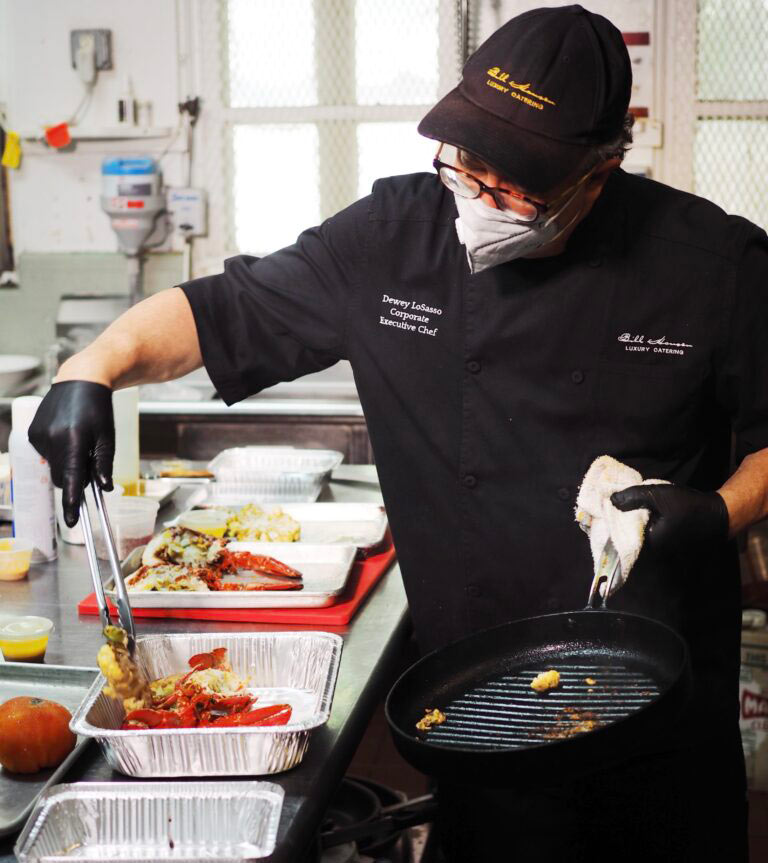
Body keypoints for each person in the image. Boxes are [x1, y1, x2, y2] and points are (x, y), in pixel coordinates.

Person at [28, 5, 767, 860]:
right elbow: (221, 311)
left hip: (656, 717)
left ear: (597, 175)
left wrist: (722, 510)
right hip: (474, 707)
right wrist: (93, 365)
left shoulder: (713, 267)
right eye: (467, 162)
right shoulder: (394, 238)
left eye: (513, 183)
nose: (479, 196)